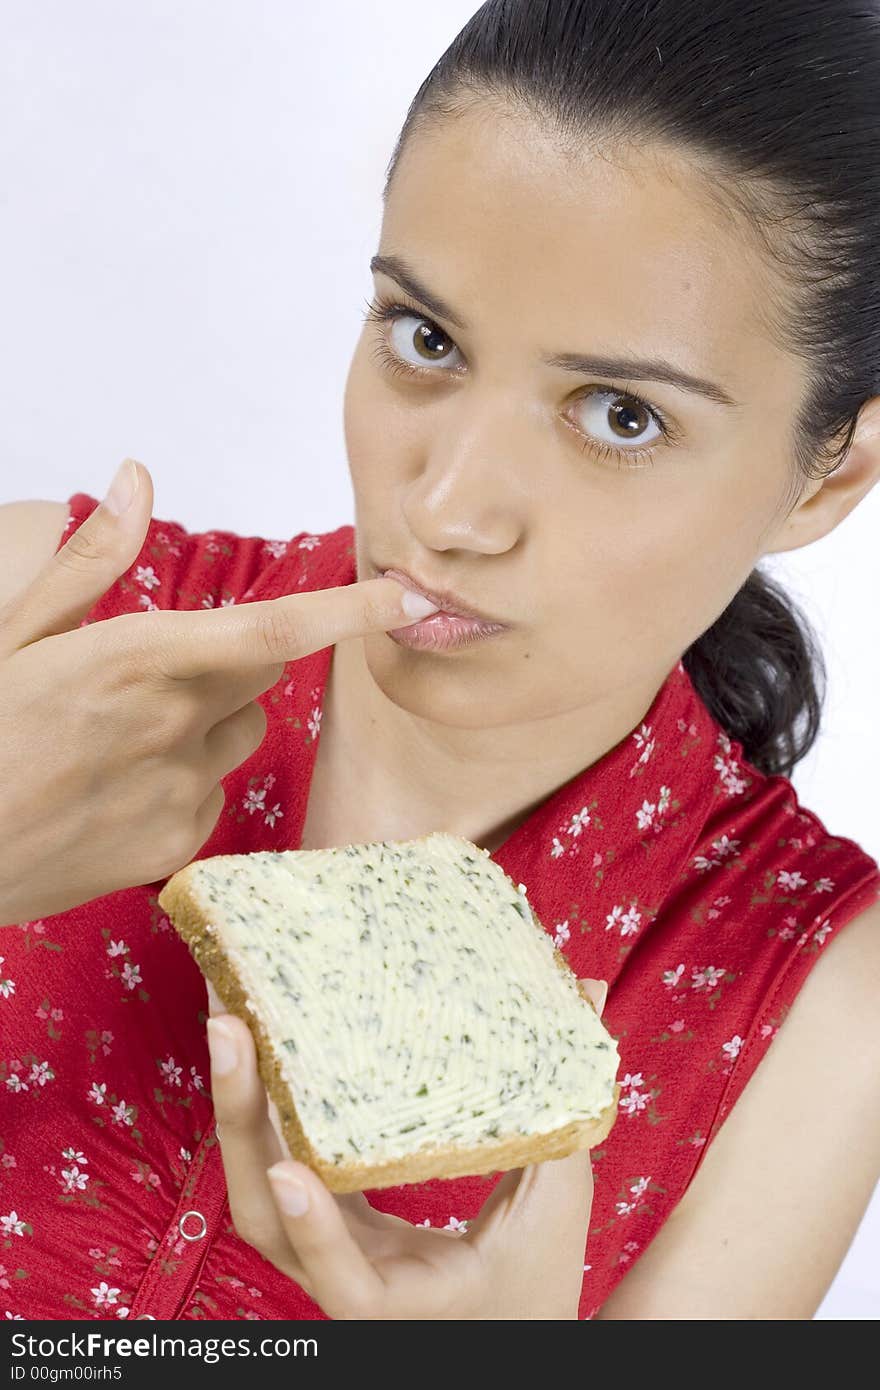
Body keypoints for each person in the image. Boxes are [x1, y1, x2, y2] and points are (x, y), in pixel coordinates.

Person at [1, 0, 879, 1320]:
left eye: (621, 414)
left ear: (831, 474)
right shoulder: (47, 621)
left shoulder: (817, 1000)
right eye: (427, 337)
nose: (450, 509)